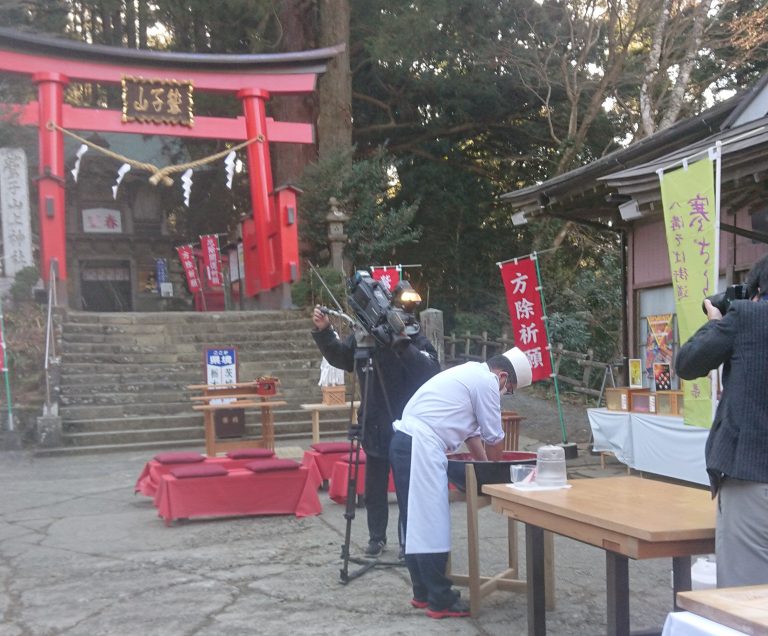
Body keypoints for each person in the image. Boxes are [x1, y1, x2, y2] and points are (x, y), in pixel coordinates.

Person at [389, 348, 532, 618]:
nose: (505, 394)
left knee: (415, 521)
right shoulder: (487, 382)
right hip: (420, 445)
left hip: (405, 442)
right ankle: (440, 599)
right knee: (431, 522)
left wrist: (485, 469)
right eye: (509, 389)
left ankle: (423, 592)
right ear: (502, 377)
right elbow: (493, 438)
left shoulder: (469, 374)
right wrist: (498, 470)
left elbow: (473, 436)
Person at [311, 301, 440, 559]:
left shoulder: (412, 336)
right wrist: (324, 331)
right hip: (373, 422)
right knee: (374, 488)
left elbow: (430, 371)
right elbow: (341, 357)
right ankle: (376, 538)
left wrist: (401, 340)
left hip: (408, 425)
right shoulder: (362, 338)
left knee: (408, 488)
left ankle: (409, 541)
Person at [675, 253, 768, 588]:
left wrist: (716, 321)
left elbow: (687, 365)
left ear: (756, 291)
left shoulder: (747, 316)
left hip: (752, 476)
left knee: (747, 599)